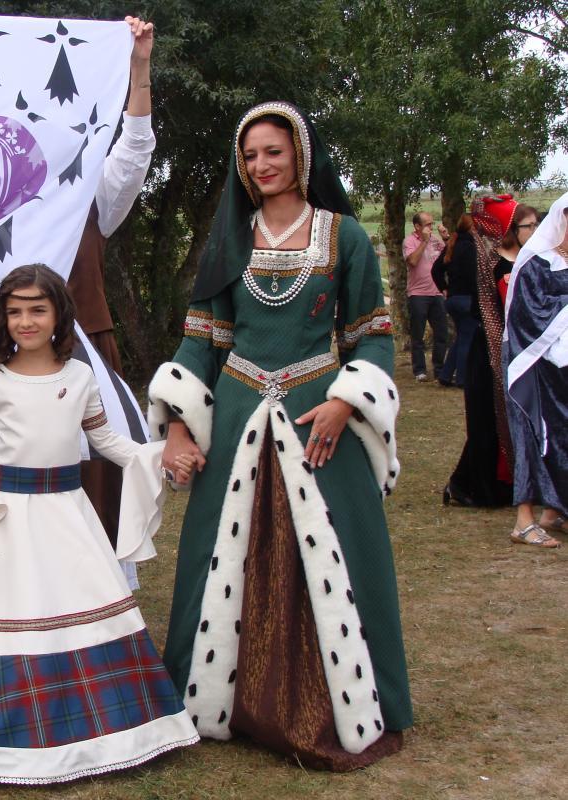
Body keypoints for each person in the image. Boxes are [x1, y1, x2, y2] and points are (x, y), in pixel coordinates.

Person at [147, 101, 411, 769]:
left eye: (273, 151)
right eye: (249, 155)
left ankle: (344, 698)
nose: (260, 165)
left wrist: (343, 405)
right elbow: (201, 341)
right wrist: (179, 422)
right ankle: (217, 699)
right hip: (237, 413)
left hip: (316, 414)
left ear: (300, 154)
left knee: (339, 551)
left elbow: (371, 339)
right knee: (218, 550)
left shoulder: (344, 236)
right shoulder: (227, 240)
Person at [0, 265, 198, 783]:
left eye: (37, 309)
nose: (26, 320)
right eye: (15, 310)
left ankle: (99, 733)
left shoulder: (80, 376)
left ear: (58, 315)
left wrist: (154, 456)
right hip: (9, 513)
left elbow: (106, 442)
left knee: (76, 608)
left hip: (69, 512)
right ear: (2, 317)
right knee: (3, 611)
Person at [68, 15, 155, 548]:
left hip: (88, 349)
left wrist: (138, 67)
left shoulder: (92, 192)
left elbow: (134, 149)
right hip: (14, 359)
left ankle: (100, 590)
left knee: (99, 477)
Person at [443, 197, 532, 508]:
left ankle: (494, 484)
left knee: (502, 419)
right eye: (526, 225)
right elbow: (484, 305)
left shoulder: (520, 256)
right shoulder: (482, 256)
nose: (533, 230)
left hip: (510, 344)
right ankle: (474, 486)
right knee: (485, 419)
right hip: (488, 346)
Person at [504, 191, 568, 548]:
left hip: (562, 364)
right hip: (527, 360)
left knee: (562, 435)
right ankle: (523, 520)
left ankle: (554, 511)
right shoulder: (535, 259)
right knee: (529, 432)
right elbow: (528, 315)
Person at [403, 210, 450, 380]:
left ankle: (439, 368)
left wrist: (445, 238)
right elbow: (413, 261)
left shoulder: (435, 241)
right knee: (418, 334)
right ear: (417, 226)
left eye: (432, 223)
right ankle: (420, 370)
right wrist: (423, 242)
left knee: (441, 334)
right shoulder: (409, 242)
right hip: (418, 294)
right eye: (428, 224)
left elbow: (452, 255)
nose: (431, 227)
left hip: (437, 293)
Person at [434, 213, 479, 388]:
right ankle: (462, 378)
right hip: (467, 299)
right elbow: (472, 277)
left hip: (452, 299)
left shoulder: (453, 245)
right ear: (472, 228)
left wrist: (444, 288)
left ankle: (446, 374)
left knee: (461, 337)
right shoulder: (470, 247)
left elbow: (435, 269)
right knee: (467, 339)